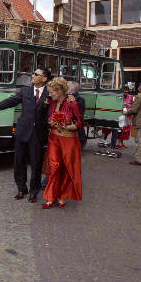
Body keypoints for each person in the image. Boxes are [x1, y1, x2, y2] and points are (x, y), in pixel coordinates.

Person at [0, 66, 51, 203]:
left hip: (38, 134)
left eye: (36, 74)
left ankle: (34, 191)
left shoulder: (49, 94)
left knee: (36, 164)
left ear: (44, 78)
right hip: (22, 132)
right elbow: (11, 101)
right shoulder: (25, 91)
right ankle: (21, 189)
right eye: (32, 73)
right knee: (19, 161)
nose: (32, 75)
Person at [42, 78, 83, 208]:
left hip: (69, 140)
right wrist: (51, 122)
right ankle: (50, 197)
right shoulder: (52, 103)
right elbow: (49, 117)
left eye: (52, 92)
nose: (50, 94)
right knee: (54, 166)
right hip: (54, 138)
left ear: (59, 91)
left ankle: (63, 196)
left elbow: (80, 123)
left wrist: (68, 127)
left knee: (66, 168)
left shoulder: (73, 104)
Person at [126, 82, 141, 165]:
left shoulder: (139, 97)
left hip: (140, 121)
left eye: (138, 86)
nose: (138, 87)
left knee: (140, 141)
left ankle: (140, 160)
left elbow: (134, 110)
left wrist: (127, 113)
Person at [67, 81, 87, 147]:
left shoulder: (79, 100)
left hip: (75, 131)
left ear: (71, 90)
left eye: (65, 87)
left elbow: (78, 117)